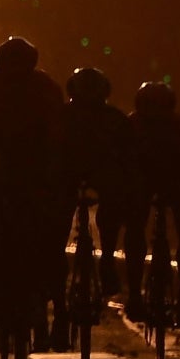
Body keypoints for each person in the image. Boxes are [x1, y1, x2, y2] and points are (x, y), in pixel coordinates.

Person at [0, 36, 65, 359]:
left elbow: (58, 136)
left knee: (44, 239)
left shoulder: (43, 88)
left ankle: (42, 300)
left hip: (32, 176)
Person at [124, 81, 180, 327]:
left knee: (140, 229)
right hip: (159, 184)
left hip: (173, 184)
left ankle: (139, 293)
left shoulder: (133, 126)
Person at [60, 68, 136, 297]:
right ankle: (107, 262)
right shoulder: (115, 118)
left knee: (59, 215)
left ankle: (57, 261)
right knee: (109, 214)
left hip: (77, 175)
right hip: (92, 176)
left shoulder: (61, 115)